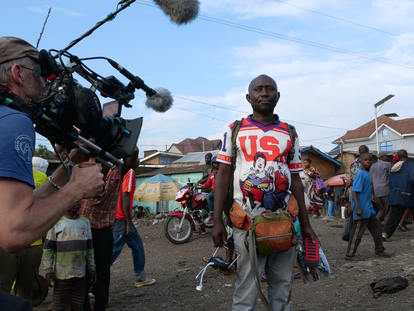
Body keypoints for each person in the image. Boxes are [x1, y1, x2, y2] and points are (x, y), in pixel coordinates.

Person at [0, 36, 103, 309]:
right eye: (40, 73)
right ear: (17, 73)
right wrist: (77, 189)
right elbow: (14, 233)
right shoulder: (13, 121)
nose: (46, 82)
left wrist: (68, 169)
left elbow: (20, 206)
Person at [212, 74, 316, 311]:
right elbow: (223, 175)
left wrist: (306, 223)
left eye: (270, 89)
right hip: (245, 222)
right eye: (258, 89)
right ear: (249, 97)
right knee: (247, 287)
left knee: (282, 285)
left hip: (284, 222)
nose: (264, 93)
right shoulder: (235, 130)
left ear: (278, 96)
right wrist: (217, 220)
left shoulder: (289, 132)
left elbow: (296, 179)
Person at [79, 147, 139, 311]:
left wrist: (130, 145)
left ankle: (100, 306)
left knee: (103, 271)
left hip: (103, 228)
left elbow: (134, 156)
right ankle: (82, 305)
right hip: (81, 227)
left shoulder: (119, 168)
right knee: (81, 271)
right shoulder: (84, 160)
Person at [0, 157, 48, 304]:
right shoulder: (44, 179)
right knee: (25, 289)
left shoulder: (10, 174)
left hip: (12, 240)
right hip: (31, 242)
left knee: (4, 287)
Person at [43, 200, 97, 311]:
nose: (76, 202)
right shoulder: (56, 223)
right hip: (62, 275)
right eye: (73, 199)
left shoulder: (85, 223)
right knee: (58, 305)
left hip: (80, 273)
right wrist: (48, 269)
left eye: (79, 200)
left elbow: (89, 248)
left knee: (78, 305)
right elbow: (48, 249)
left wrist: (91, 267)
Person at [110, 168, 156, 288]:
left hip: (119, 216)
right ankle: (92, 281)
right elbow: (126, 196)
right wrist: (129, 223)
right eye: (135, 157)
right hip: (122, 219)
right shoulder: (129, 172)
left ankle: (140, 277)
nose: (138, 161)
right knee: (113, 251)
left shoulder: (116, 169)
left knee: (137, 245)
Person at [345, 153, 393, 260]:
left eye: (370, 160)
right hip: (361, 209)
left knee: (376, 227)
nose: (368, 161)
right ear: (361, 161)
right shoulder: (360, 174)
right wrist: (357, 207)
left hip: (368, 208)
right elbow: (354, 191)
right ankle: (350, 254)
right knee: (357, 232)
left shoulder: (368, 174)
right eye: (365, 160)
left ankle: (379, 250)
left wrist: (372, 196)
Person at [382, 150, 414, 240]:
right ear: (407, 156)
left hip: (396, 195)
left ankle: (385, 233)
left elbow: (390, 182)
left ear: (398, 157)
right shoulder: (411, 166)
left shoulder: (394, 168)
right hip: (409, 195)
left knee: (395, 217)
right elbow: (412, 180)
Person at [370, 152, 392, 225]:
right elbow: (391, 178)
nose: (388, 158)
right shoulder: (388, 165)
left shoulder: (372, 166)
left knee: (382, 210)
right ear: (382, 157)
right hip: (386, 191)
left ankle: (374, 225)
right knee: (388, 211)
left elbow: (371, 182)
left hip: (377, 192)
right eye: (387, 156)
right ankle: (387, 230)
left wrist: (373, 194)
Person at [198, 155, 220, 228]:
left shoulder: (222, 173)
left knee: (209, 196)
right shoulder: (212, 174)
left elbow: (222, 185)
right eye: (214, 163)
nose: (216, 164)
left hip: (220, 193)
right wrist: (197, 186)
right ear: (212, 164)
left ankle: (212, 217)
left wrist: (214, 190)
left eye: (217, 163)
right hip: (214, 192)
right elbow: (207, 185)